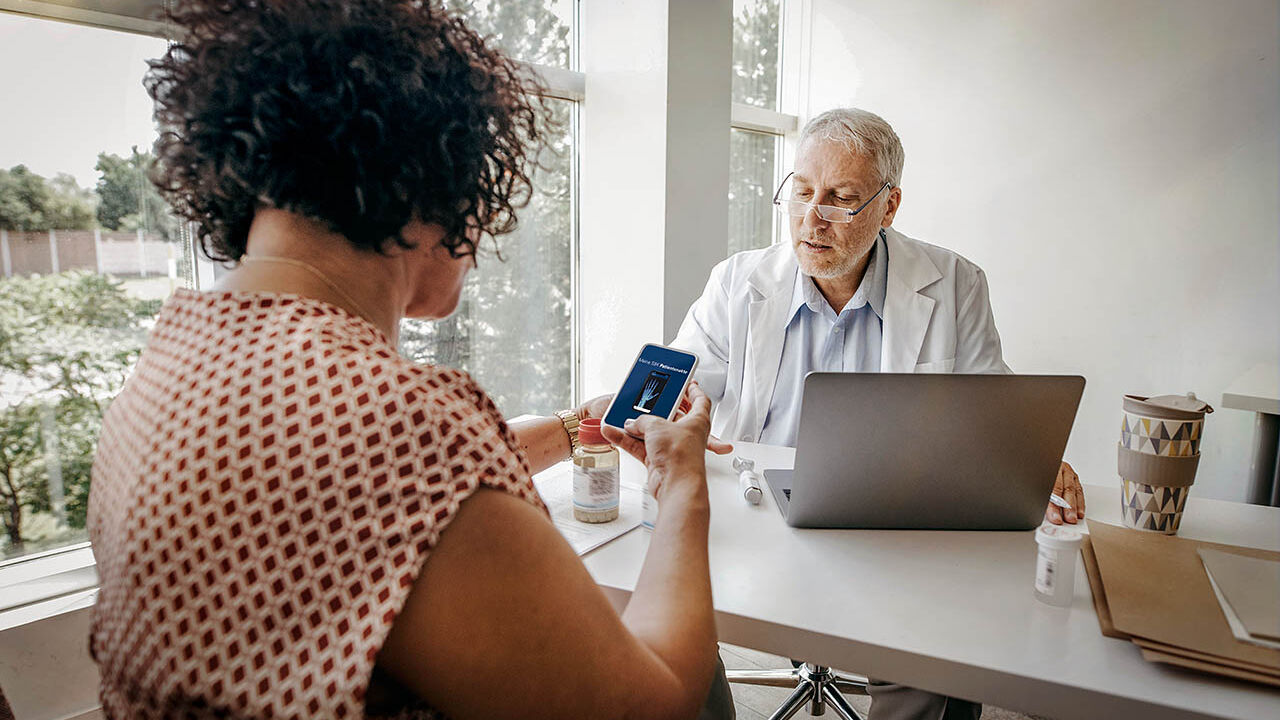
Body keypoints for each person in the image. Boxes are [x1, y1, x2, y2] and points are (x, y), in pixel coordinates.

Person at [87, 2, 731, 718]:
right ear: (431, 179)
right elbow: (653, 709)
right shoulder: (394, 423)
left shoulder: (172, 363)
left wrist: (574, 422)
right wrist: (682, 484)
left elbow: (368, 489)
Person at [671, 107, 1085, 719]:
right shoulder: (738, 282)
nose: (812, 219)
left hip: (898, 523)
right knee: (667, 622)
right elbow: (680, 378)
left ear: (888, 207)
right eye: (802, 192)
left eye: (841, 199)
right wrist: (668, 403)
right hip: (761, 516)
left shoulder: (955, 283)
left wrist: (1032, 458)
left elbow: (991, 412)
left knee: (933, 662)